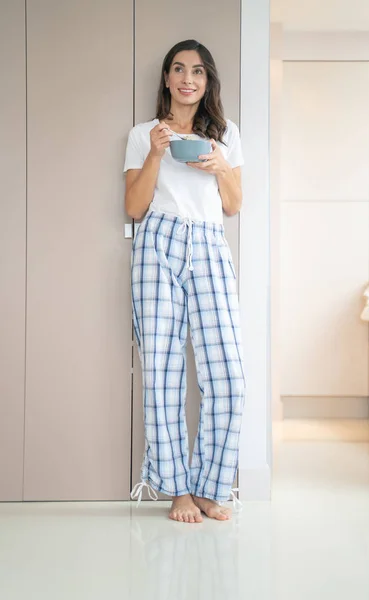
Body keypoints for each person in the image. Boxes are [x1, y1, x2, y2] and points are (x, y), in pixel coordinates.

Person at [123, 39, 245, 524]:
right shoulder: (142, 134)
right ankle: (176, 489)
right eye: (178, 69)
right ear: (167, 79)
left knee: (229, 376)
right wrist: (155, 154)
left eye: (197, 71)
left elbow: (234, 205)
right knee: (163, 370)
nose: (187, 79)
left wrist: (219, 165)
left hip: (211, 244)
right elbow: (134, 207)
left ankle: (213, 488)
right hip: (159, 243)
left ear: (207, 80)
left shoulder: (227, 134)